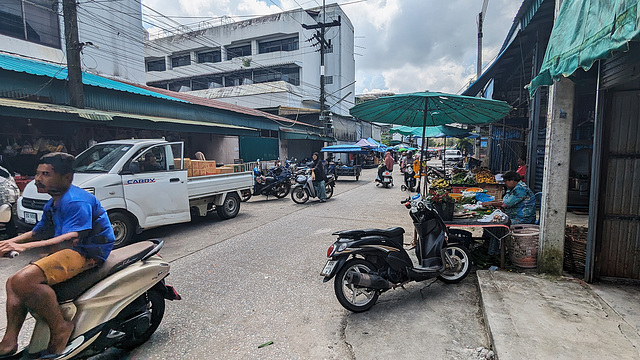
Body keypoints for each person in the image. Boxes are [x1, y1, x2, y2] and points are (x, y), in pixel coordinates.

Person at [0, 152, 115, 357]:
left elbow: (70, 238)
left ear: (67, 178)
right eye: (37, 174)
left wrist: (25, 248)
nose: (37, 179)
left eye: (45, 174)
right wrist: (11, 241)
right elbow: (39, 231)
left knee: (24, 281)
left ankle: (61, 327)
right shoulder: (53, 202)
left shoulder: (76, 202)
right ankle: (9, 341)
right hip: (69, 250)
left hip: (87, 251)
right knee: (12, 282)